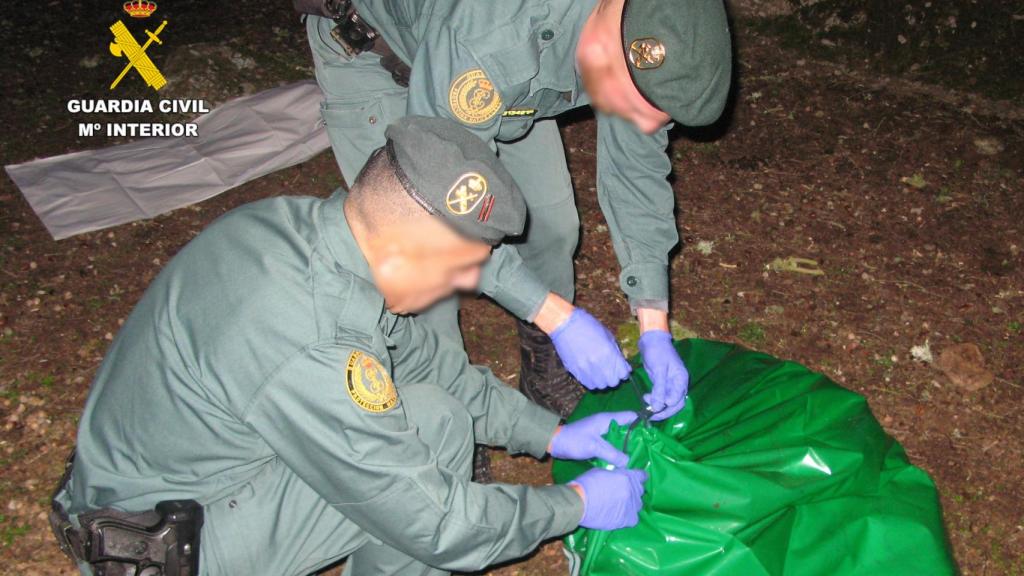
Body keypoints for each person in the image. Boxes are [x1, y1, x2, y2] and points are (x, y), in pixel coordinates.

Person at [49, 117, 648, 576]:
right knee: (420, 473)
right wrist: (574, 504)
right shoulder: (313, 334)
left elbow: (430, 368)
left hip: (173, 478)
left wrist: (551, 435)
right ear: (408, 253)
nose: (467, 286)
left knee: (436, 417)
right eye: (461, 269)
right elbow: (437, 523)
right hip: (162, 540)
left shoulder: (305, 233)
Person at [300, 0, 732, 422]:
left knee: (550, 223)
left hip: (498, 73)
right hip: (374, 50)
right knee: (423, 279)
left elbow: (635, 172)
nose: (643, 122)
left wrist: (654, 322)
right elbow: (440, 215)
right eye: (630, 103)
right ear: (604, 37)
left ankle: (543, 370)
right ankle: (446, 419)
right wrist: (556, 316)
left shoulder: (636, 33)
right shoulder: (494, 37)